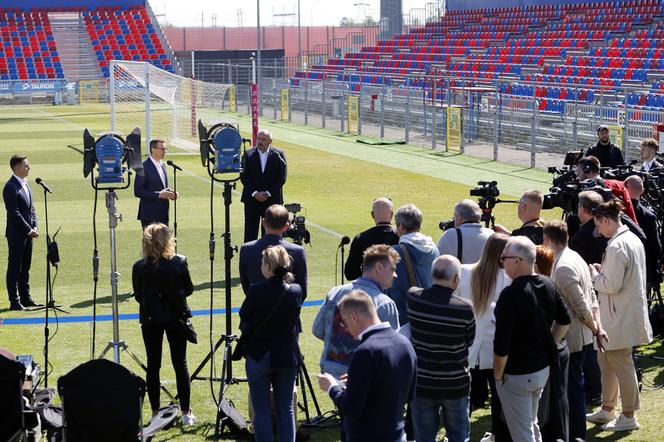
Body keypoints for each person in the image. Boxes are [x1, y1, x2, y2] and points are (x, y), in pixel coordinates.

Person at [493, 236, 570, 442]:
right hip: (540, 370)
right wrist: (550, 343)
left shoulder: (510, 295)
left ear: (518, 260)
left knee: (523, 434)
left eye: (504, 258)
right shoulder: (548, 284)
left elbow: (501, 344)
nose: (502, 262)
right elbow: (564, 321)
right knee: (531, 424)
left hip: (517, 375)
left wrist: (498, 375)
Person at [586, 200, 653, 432]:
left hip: (618, 315)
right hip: (620, 312)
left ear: (605, 220)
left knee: (621, 364)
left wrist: (594, 275)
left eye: (598, 225)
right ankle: (608, 408)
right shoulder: (630, 239)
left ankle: (628, 414)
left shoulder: (617, 246)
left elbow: (611, 285)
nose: (598, 231)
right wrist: (601, 273)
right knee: (606, 361)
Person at [317, 290, 417, 442]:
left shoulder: (365, 352)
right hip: (396, 435)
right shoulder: (405, 344)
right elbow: (409, 394)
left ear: (354, 317)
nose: (346, 328)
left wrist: (332, 387)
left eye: (345, 322)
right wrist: (364, 380)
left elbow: (350, 409)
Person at [131, 223, 195, 425]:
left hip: (150, 318)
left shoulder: (139, 267)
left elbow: (139, 295)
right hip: (175, 317)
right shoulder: (179, 262)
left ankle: (155, 412)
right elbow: (189, 289)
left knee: (153, 365)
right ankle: (185, 412)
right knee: (180, 363)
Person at [407, 255, 475, 442]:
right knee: (458, 436)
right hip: (455, 383)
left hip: (423, 383)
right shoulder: (465, 308)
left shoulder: (414, 297)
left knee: (424, 437)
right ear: (456, 279)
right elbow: (469, 340)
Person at [544, 220, 601, 442]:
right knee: (572, 388)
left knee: (571, 391)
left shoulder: (563, 266)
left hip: (573, 338)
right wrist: (596, 326)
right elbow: (591, 297)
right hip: (579, 335)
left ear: (548, 239)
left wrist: (596, 328)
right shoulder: (574, 257)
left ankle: (575, 434)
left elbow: (580, 304)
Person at [239, 245, 302, 442]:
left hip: (260, 354)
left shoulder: (256, 290)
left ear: (268, 266)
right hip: (286, 355)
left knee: (262, 410)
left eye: (262, 262)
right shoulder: (295, 291)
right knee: (286, 410)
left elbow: (244, 315)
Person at [455, 233, 511, 442]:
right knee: (498, 396)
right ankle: (497, 434)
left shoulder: (464, 271)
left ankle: (459, 434)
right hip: (494, 347)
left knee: (464, 397)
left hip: (467, 345)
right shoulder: (507, 278)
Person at [312, 244, 400, 378]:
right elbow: (394, 350)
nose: (395, 275)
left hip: (331, 372)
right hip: (365, 377)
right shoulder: (385, 303)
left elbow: (318, 330)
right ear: (379, 268)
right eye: (392, 269)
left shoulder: (336, 292)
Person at [534, 243, 570, 442]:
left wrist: (550, 344)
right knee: (559, 400)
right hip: (559, 347)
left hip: (548, 351)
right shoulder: (551, 286)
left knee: (546, 406)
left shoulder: (542, 289)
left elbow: (564, 320)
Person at [239, 204, 307, 300]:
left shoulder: (246, 249)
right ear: (287, 226)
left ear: (263, 222)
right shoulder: (298, 251)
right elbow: (301, 291)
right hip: (287, 311)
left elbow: (246, 286)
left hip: (258, 308)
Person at [390, 204, 439, 325]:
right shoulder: (434, 249)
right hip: (430, 315)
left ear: (401, 226)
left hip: (404, 317)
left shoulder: (395, 252)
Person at [3, 154, 39, 311]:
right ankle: (15, 301)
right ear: (16, 168)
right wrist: (28, 229)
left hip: (28, 234)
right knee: (15, 267)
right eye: (26, 165)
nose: (28, 168)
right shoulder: (10, 187)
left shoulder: (25, 184)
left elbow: (31, 208)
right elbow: (14, 213)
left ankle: (26, 297)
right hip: (17, 235)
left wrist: (35, 225)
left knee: (25, 267)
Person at [240, 129, 287, 243]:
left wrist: (267, 193)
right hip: (252, 201)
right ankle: (250, 259)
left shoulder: (278, 154)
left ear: (270, 141)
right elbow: (243, 176)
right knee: (250, 234)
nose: (260, 142)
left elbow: (282, 178)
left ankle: (270, 259)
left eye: (263, 139)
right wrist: (255, 193)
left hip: (271, 201)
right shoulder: (248, 154)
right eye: (259, 139)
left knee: (270, 235)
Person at [344, 197, 399, 281]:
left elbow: (350, 274)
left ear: (372, 215)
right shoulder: (401, 237)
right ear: (392, 214)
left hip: (370, 289)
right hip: (398, 290)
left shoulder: (361, 238)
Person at [575, 156, 637, 223]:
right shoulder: (617, 185)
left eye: (579, 172)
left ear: (587, 171)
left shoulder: (604, 188)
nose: (577, 176)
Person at [625, 174, 662, 286]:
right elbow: (656, 246)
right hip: (643, 265)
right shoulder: (649, 215)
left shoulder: (617, 212)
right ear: (643, 191)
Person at [134, 139, 178, 229]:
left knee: (164, 242)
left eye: (165, 149)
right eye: (161, 149)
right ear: (153, 149)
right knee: (151, 243)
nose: (164, 152)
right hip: (149, 215)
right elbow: (138, 191)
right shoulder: (143, 167)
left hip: (163, 214)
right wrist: (159, 195)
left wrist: (171, 193)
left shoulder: (163, 165)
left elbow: (161, 187)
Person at [437, 199, 493, 264]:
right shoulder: (491, 234)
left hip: (461, 273)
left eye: (455, 216)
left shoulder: (450, 235)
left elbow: (438, 264)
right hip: (484, 274)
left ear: (459, 218)